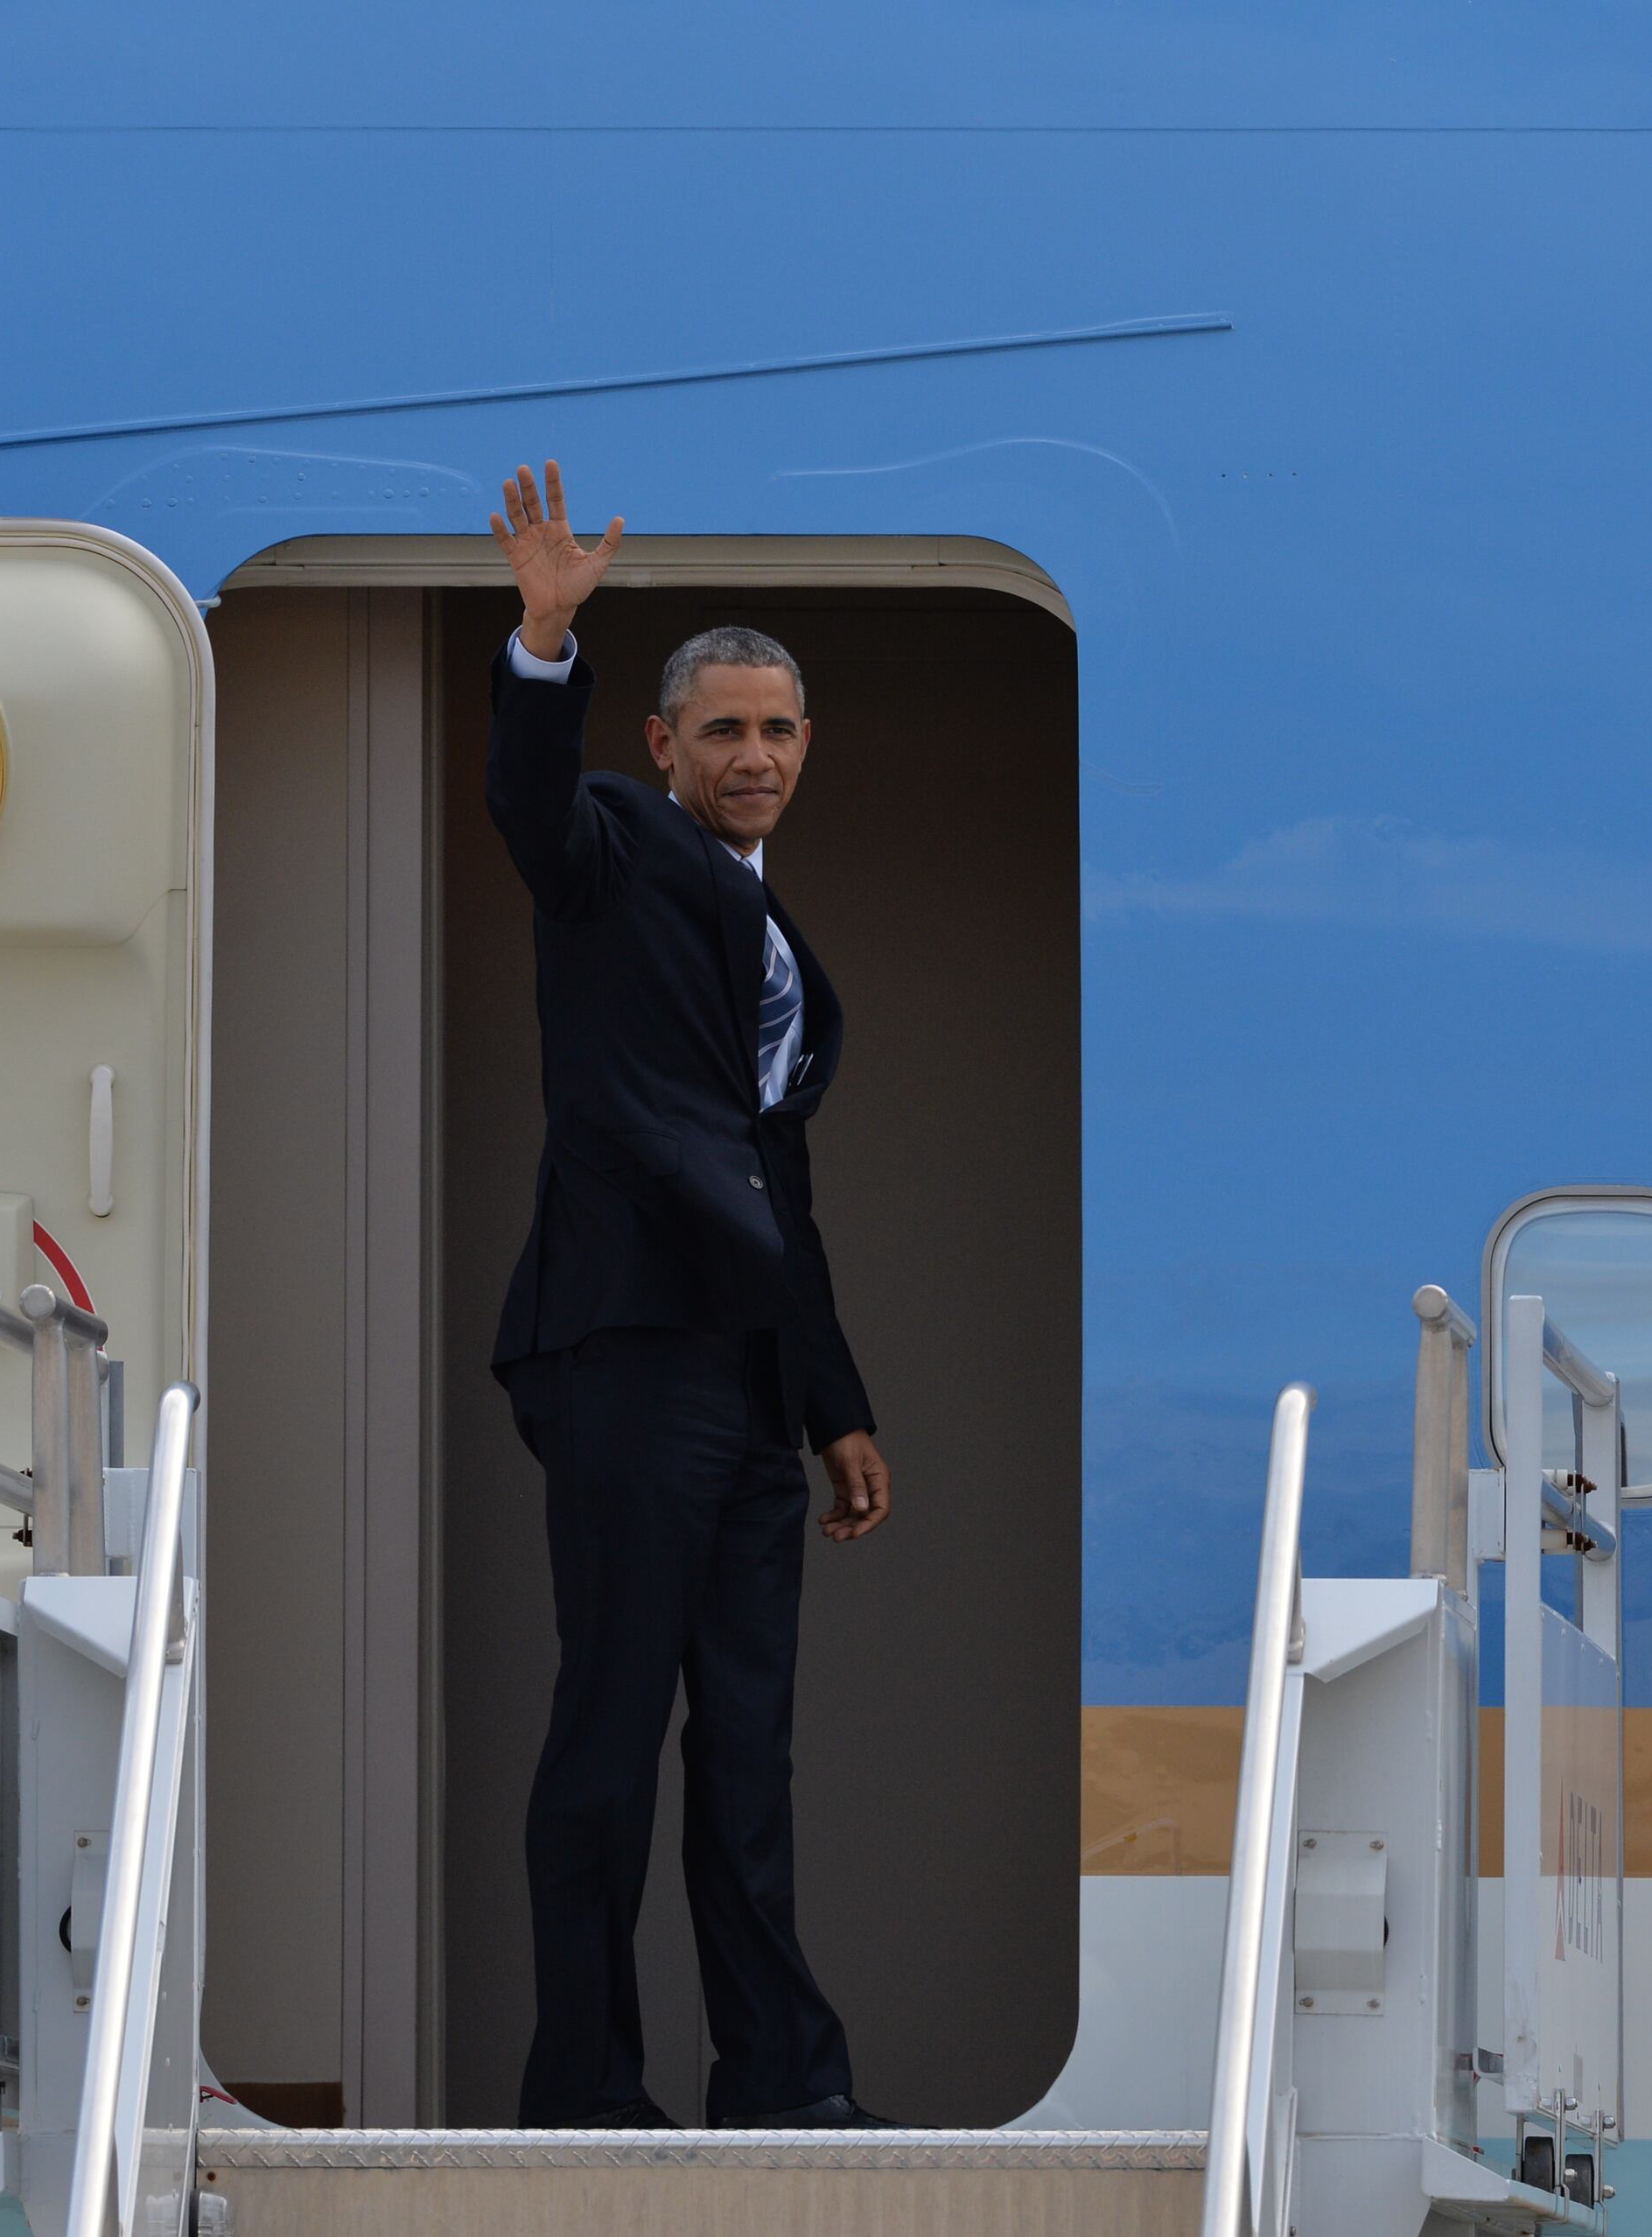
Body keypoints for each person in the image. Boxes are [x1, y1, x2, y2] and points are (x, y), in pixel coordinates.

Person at [483, 459, 896, 2130]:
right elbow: (528, 805)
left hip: (742, 1388)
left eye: (777, 731)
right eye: (721, 730)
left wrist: (836, 1402)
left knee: (746, 1758)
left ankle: (785, 2090)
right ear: (662, 746)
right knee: (608, 1741)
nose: (751, 758)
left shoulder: (773, 924)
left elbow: (772, 1183)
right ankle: (584, 2094)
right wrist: (543, 644)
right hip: (624, 1354)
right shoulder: (615, 850)